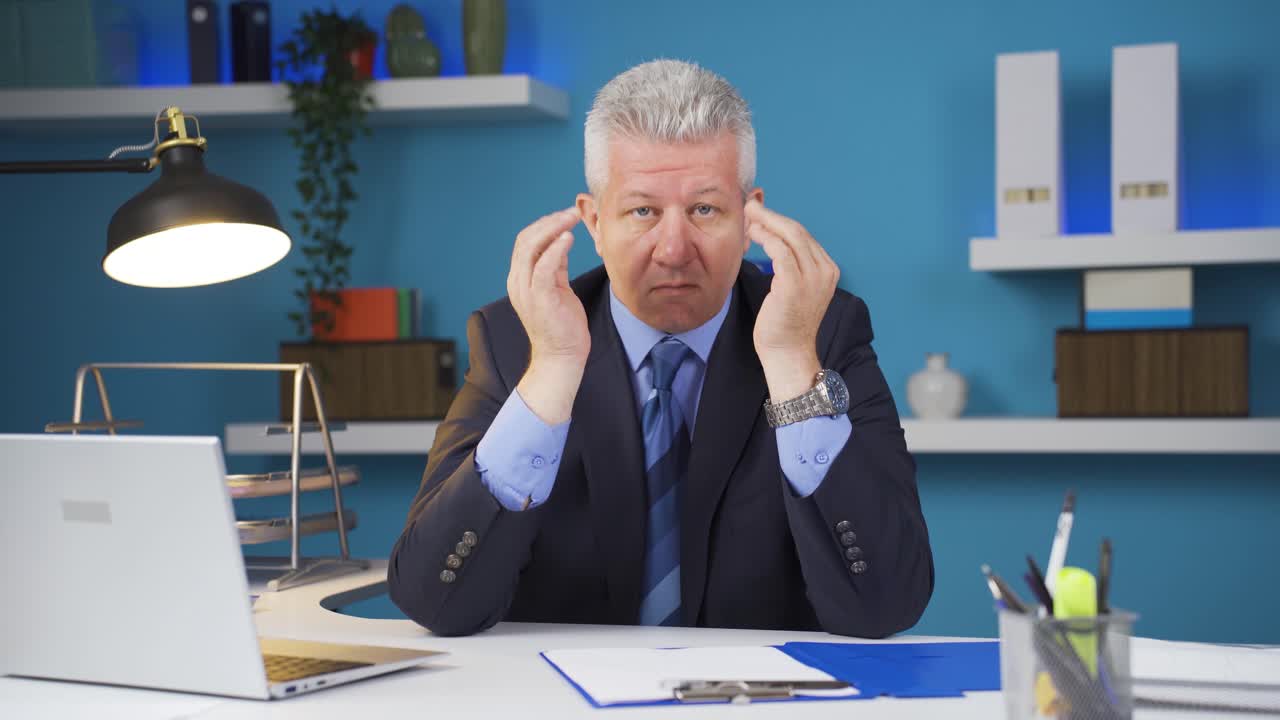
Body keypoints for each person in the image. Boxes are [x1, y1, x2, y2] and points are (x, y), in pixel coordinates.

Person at [388, 59, 932, 638]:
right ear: (594, 222)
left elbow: (887, 606)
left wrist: (793, 367)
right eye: (643, 211)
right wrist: (551, 374)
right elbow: (433, 601)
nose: (674, 249)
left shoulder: (822, 331)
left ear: (750, 218)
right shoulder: (516, 338)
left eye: (704, 209)